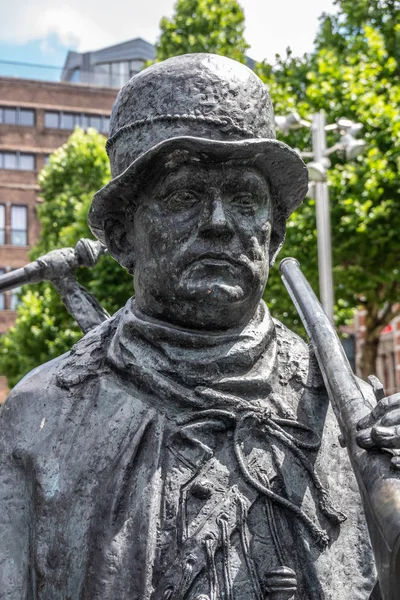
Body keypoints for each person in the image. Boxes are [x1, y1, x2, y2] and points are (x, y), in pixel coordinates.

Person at [0, 53, 397, 600]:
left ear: (273, 234)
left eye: (245, 199)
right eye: (184, 196)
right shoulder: (36, 418)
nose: (219, 223)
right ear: (120, 235)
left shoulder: (348, 414)